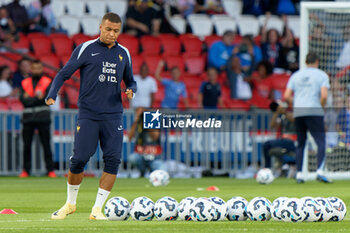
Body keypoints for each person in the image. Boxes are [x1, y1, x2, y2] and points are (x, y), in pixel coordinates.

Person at [46, 13, 137, 220]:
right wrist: (52, 94)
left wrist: (131, 90)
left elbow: (131, 80)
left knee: (113, 160)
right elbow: (63, 73)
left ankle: (97, 209)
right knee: (78, 160)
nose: (112, 34)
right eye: (108, 29)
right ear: (100, 27)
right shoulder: (87, 48)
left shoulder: (124, 53)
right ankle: (70, 204)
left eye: (116, 31)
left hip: (113, 115)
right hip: (88, 114)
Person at [284, 52, 331, 183]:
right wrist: (321, 107)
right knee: (320, 140)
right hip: (314, 110)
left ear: (305, 62)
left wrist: (296, 104)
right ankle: (320, 171)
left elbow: (287, 96)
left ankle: (299, 174)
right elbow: (324, 95)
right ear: (317, 61)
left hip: (299, 111)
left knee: (301, 142)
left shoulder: (296, 75)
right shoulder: (322, 75)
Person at [18, 60, 56, 178]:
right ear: (31, 69)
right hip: (28, 118)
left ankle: (50, 170)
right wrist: (38, 98)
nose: (36, 70)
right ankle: (26, 170)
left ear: (42, 69)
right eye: (34, 68)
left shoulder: (47, 81)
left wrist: (31, 98)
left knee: (46, 145)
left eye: (38, 68)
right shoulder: (25, 82)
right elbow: (23, 100)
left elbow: (48, 99)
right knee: (26, 145)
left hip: (43, 117)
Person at [128, 107, 164, 177]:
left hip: (154, 157)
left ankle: (152, 172)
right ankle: (142, 171)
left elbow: (155, 136)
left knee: (162, 169)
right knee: (132, 158)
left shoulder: (153, 121)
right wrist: (136, 120)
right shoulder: (137, 124)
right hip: (141, 155)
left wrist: (147, 121)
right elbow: (129, 137)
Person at [263, 101, 296, 176]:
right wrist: (276, 112)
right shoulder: (282, 116)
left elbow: (293, 119)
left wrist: (284, 112)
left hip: (293, 141)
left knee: (268, 144)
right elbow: (272, 126)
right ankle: (268, 169)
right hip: (283, 142)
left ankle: (285, 166)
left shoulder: (293, 112)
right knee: (266, 146)